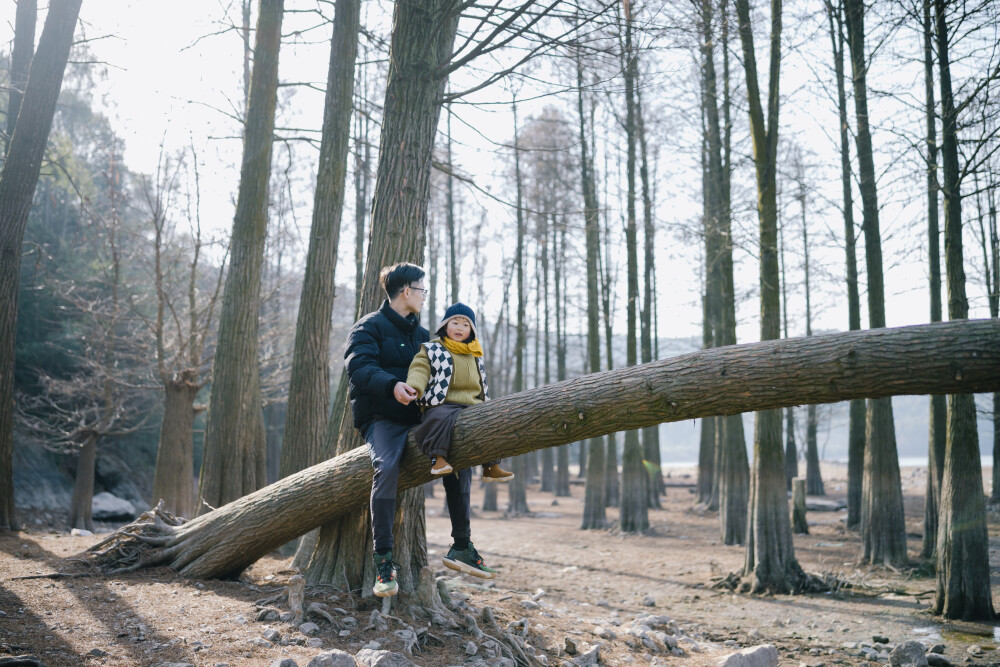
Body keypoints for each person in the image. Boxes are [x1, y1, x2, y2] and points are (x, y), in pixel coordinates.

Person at [344, 264, 496, 599]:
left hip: (422, 417)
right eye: (422, 289)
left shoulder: (423, 334)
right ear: (406, 292)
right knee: (386, 467)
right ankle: (384, 561)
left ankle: (461, 545)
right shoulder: (368, 327)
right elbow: (358, 367)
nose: (425, 296)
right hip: (382, 419)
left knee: (459, 457)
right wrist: (392, 385)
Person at [405, 302, 514, 484]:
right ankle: (437, 458)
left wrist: (486, 401)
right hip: (443, 401)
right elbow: (419, 369)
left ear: (471, 331)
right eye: (455, 323)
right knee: (438, 418)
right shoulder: (433, 349)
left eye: (465, 325)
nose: (459, 328)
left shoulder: (474, 353)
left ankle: (490, 465)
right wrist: (415, 387)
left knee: (492, 419)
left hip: (472, 402)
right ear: (445, 325)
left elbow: (481, 381)